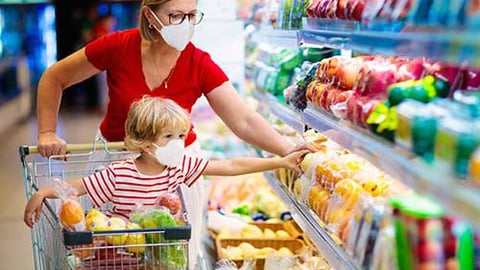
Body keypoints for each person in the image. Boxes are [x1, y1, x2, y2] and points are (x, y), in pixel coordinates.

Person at [24, 96, 309, 264]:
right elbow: (79, 186)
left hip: (160, 259)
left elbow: (231, 165)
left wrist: (279, 160)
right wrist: (42, 194)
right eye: (169, 137)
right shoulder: (120, 173)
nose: (179, 144)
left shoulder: (179, 166)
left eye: (181, 137)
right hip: (119, 259)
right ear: (146, 144)